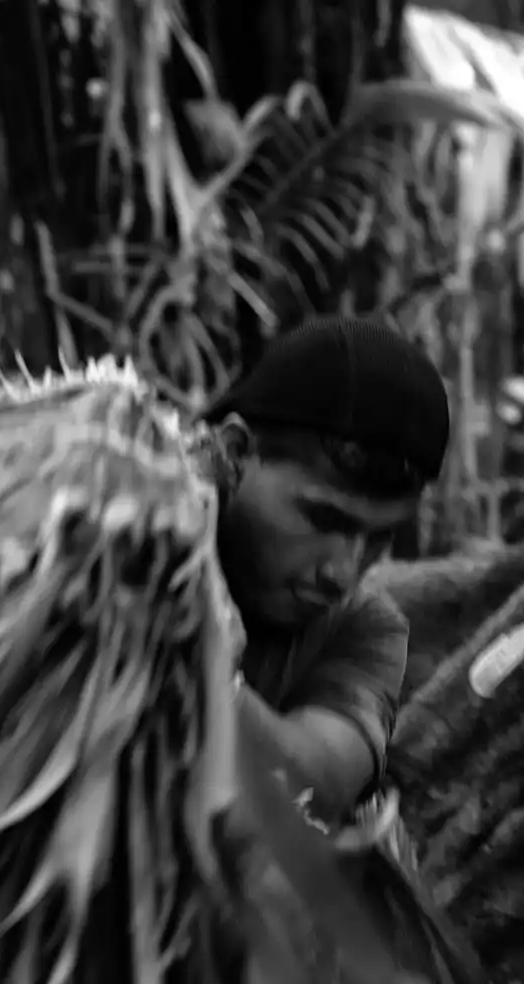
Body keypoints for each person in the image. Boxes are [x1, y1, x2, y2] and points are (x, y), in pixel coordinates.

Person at [203, 315, 450, 827]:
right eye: (323, 519)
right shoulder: (117, 529)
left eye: (380, 538)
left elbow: (315, 786)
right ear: (235, 453)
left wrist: (196, 663)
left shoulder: (367, 630)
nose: (343, 573)